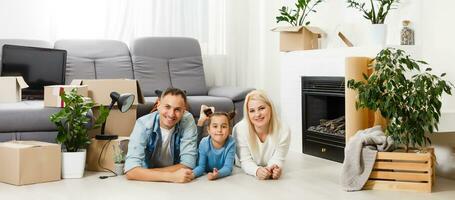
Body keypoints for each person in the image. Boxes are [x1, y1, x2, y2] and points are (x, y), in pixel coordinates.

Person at [124, 88, 198, 183]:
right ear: (158, 105)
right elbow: (131, 171)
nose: (171, 114)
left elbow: (188, 164)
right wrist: (171, 177)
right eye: (167, 107)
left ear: (184, 111)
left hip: (152, 179)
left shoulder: (187, 120)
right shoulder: (143, 124)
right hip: (148, 185)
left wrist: (143, 173)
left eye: (177, 110)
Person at [233, 90, 291, 180]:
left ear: (270, 108)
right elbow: (245, 160)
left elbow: (278, 158)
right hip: (241, 169)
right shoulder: (239, 129)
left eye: (261, 108)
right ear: (247, 114)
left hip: (267, 167)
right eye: (252, 111)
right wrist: (257, 171)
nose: (257, 114)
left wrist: (274, 169)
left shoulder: (284, 129)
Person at [192, 105, 236, 180]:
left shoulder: (231, 142)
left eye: (224, 126)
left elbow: (228, 168)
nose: (219, 130)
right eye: (215, 126)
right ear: (208, 130)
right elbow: (201, 167)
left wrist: (218, 174)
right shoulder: (204, 143)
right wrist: (192, 174)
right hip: (205, 168)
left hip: (218, 172)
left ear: (229, 129)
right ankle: (201, 121)